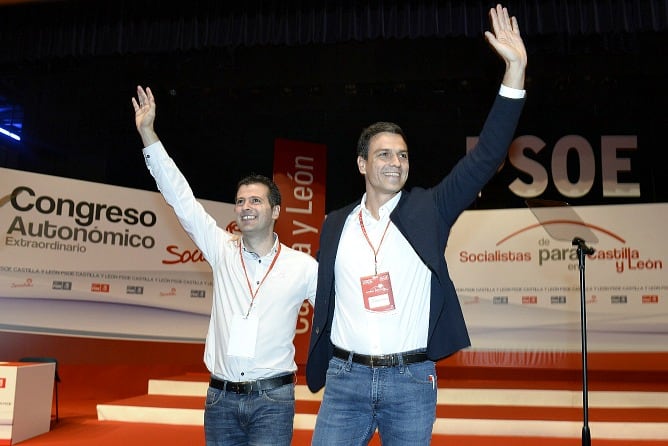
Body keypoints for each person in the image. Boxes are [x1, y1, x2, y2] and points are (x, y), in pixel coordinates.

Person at [306, 4, 527, 445]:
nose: (396, 162)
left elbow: (485, 158)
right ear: (361, 163)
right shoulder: (334, 225)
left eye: (403, 155)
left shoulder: (430, 209)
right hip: (344, 381)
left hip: (410, 382)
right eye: (384, 154)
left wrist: (515, 71)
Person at [131, 85, 318, 446]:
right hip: (220, 399)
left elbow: (338, 313)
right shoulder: (221, 248)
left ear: (276, 211)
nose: (245, 206)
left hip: (273, 400)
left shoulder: (303, 267)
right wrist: (148, 133)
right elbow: (180, 197)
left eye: (256, 200)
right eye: (240, 201)